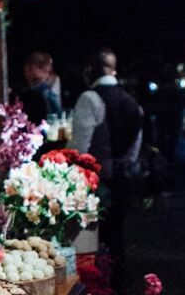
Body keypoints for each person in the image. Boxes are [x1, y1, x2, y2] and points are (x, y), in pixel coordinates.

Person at [72, 48, 144, 280]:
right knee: (117, 237)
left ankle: (96, 290)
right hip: (122, 178)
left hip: (96, 182)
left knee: (93, 241)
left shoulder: (90, 98)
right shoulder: (132, 101)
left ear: (91, 69)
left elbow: (79, 149)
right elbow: (135, 147)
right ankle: (117, 288)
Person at [18, 51, 61, 125]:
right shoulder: (30, 87)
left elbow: (54, 113)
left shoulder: (45, 90)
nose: (25, 72)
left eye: (27, 68)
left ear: (35, 68)